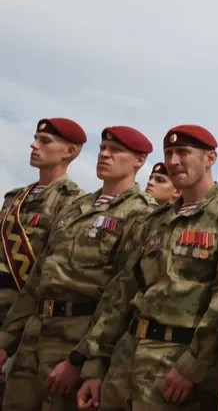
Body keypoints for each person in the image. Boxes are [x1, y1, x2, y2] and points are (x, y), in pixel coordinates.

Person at [75, 125, 218, 410]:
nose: (174, 161)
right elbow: (123, 291)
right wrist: (96, 364)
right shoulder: (156, 219)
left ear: (210, 158)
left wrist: (192, 366)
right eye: (169, 153)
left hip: (177, 363)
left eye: (183, 152)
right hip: (126, 357)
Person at [0, 126, 157, 410]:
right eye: (103, 148)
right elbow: (38, 279)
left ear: (139, 160)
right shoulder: (76, 206)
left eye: (116, 150)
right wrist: (6, 341)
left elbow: (120, 296)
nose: (105, 154)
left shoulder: (143, 213)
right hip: (36, 332)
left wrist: (82, 359)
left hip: (76, 336)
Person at [1, 118, 87, 322]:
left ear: (69, 151)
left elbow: (56, 265)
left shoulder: (75, 202)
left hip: (22, 311)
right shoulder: (14, 197)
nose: (34, 145)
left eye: (45, 141)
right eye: (35, 138)